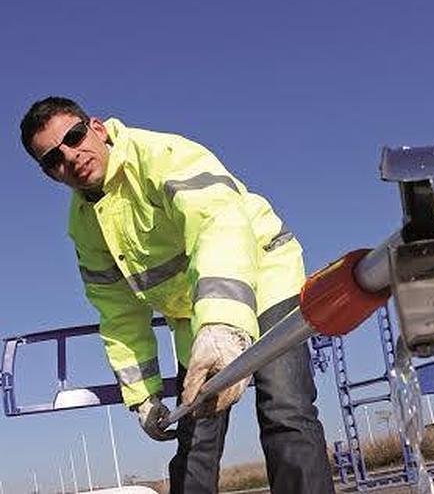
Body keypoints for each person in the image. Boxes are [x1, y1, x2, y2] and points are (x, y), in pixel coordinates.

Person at [20, 96, 335, 494]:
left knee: (285, 409)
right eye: (53, 158)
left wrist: (223, 324)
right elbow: (119, 315)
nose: (71, 155)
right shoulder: (83, 226)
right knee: (197, 437)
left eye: (75, 136)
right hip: (192, 311)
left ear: (96, 128)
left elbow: (217, 225)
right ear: (50, 173)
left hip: (264, 274)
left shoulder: (160, 155)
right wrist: (143, 399)